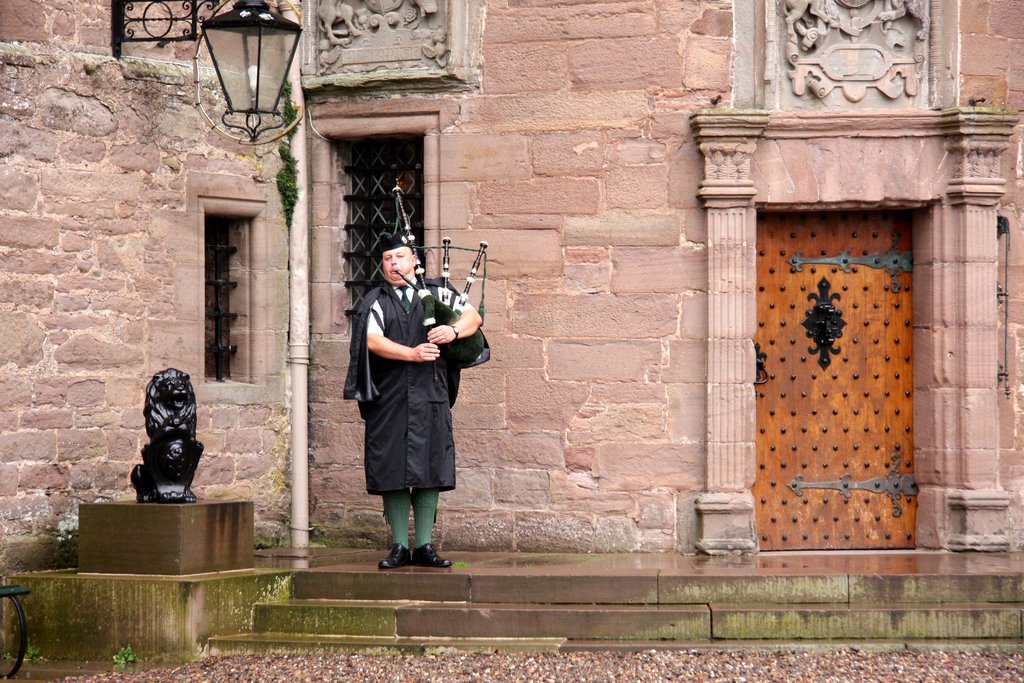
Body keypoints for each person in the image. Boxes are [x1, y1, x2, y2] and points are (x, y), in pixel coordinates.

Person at [343, 233, 482, 569]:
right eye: (388, 259)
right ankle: (399, 547)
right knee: (391, 468)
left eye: (400, 257)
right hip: (388, 398)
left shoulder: (438, 292)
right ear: (382, 265)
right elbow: (372, 341)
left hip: (430, 396)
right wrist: (413, 353)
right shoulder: (375, 301)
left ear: (414, 261)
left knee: (429, 468)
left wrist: (453, 332)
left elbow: (473, 317)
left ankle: (424, 546)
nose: (394, 264)